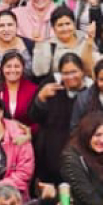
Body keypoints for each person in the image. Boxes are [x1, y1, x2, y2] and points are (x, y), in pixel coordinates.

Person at [33, 54, 91, 185]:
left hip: (80, 157)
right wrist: (41, 97)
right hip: (50, 157)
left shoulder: (90, 92)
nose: (70, 77)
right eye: (65, 73)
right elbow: (34, 116)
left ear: (82, 72)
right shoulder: (51, 86)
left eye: (74, 72)